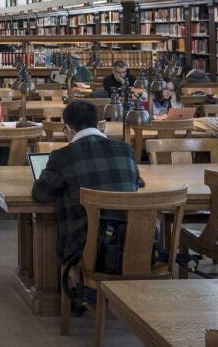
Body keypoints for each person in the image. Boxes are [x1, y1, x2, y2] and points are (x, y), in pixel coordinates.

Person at [31, 100, 143, 264]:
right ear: (97, 123)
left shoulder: (63, 156)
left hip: (85, 247)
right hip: (129, 243)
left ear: (68, 128)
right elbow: (136, 182)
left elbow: (40, 194)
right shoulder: (126, 150)